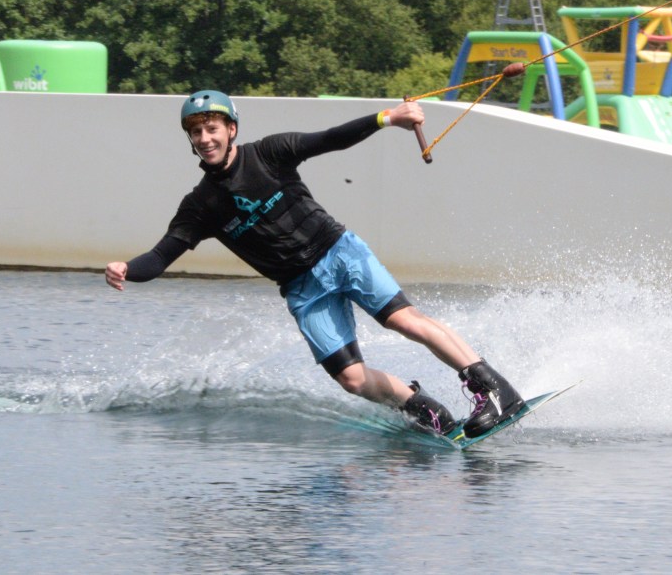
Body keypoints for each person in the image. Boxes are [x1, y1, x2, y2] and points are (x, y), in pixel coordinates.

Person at [105, 89, 524, 437]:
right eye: (196, 132)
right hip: (302, 289)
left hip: (339, 253)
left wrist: (387, 118)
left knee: (404, 321)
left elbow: (330, 138)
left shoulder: (269, 153)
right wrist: (127, 268)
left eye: (212, 128)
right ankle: (426, 409)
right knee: (352, 379)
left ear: (231, 129)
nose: (204, 138)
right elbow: (160, 256)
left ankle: (496, 390)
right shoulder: (201, 205)